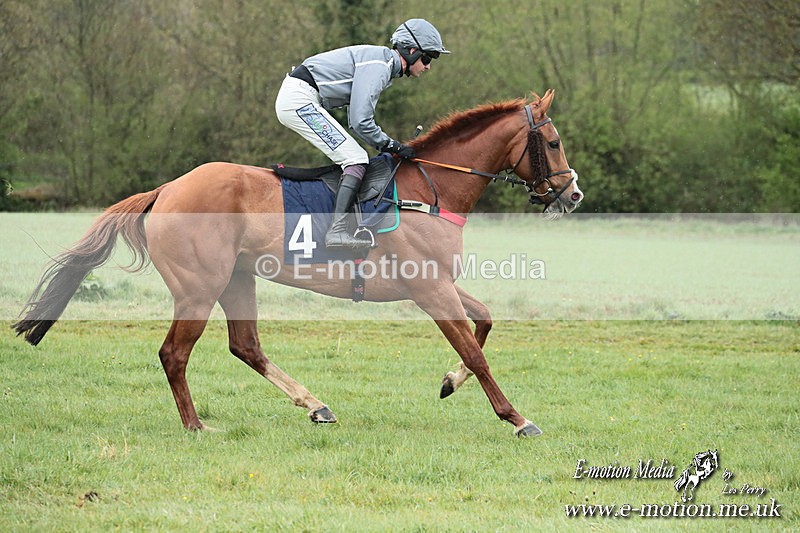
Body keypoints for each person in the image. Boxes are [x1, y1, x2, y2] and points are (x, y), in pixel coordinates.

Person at [275, 19, 450, 249]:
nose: (428, 66)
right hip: (298, 100)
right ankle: (336, 231)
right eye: (428, 58)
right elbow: (359, 121)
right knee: (356, 158)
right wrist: (392, 146)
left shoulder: (382, 63)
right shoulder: (380, 65)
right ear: (411, 51)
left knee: (354, 156)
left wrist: (387, 144)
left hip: (301, 98)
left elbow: (355, 119)